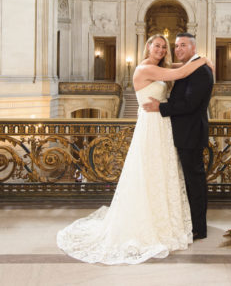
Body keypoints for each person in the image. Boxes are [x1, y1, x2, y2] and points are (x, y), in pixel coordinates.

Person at [56, 34, 212, 265]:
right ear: (147, 47)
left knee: (162, 171)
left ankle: (168, 218)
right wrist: (203, 60)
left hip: (162, 124)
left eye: (164, 47)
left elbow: (177, 67)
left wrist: (196, 59)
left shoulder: (158, 66)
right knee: (149, 170)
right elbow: (178, 73)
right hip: (151, 124)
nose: (161, 49)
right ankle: (150, 219)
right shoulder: (144, 69)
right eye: (157, 45)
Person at [142, 33, 214, 241]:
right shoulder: (192, 66)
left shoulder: (200, 71)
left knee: (195, 182)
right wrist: (203, 59)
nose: (178, 49)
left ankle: (199, 228)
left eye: (183, 45)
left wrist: (161, 107)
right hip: (182, 133)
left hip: (191, 134)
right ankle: (190, 222)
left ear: (193, 47)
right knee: (187, 181)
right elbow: (176, 71)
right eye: (176, 46)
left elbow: (190, 104)